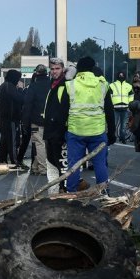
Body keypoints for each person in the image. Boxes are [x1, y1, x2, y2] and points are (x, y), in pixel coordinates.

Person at [64, 57, 116, 193]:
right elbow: (110, 111)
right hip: (97, 132)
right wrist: (112, 132)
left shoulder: (71, 84)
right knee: (100, 164)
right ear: (93, 69)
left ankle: (71, 195)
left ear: (78, 69)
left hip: (76, 131)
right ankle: (104, 194)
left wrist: (63, 131)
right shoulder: (103, 84)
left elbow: (64, 110)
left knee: (74, 165)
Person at [43, 58, 70, 194]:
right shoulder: (52, 85)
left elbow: (65, 110)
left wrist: (63, 131)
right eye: (52, 69)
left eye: (57, 69)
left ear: (63, 69)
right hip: (50, 132)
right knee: (53, 164)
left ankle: (65, 192)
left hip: (60, 133)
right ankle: (54, 193)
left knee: (63, 165)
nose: (54, 71)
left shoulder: (65, 85)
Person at [20, 64, 49, 175]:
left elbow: (27, 105)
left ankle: (43, 168)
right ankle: (35, 167)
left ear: (36, 73)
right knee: (45, 144)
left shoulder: (33, 86)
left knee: (39, 144)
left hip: (36, 120)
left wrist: (25, 122)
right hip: (49, 120)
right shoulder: (51, 85)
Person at [0, 69, 25, 167]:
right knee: (12, 140)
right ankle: (14, 160)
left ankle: (2, 159)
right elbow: (20, 99)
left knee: (4, 139)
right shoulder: (10, 86)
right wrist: (21, 89)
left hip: (3, 117)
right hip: (10, 118)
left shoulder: (3, 86)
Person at [109, 71, 134, 143]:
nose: (121, 76)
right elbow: (110, 96)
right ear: (117, 76)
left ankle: (122, 138)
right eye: (120, 75)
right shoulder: (112, 85)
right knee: (113, 125)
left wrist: (129, 105)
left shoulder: (128, 86)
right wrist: (111, 105)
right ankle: (112, 138)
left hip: (125, 108)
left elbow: (131, 96)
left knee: (123, 125)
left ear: (125, 76)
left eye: (122, 75)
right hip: (115, 108)